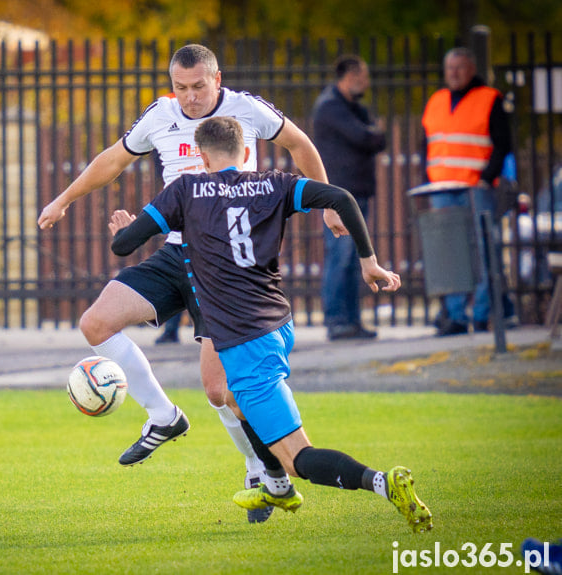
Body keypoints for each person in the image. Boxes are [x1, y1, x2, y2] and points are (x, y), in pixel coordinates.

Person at [38, 44, 346, 524]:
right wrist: (63, 199)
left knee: (220, 391)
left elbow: (300, 145)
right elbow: (112, 160)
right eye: (180, 88)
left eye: (198, 87)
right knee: (96, 323)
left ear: (216, 79)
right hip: (175, 251)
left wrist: (326, 203)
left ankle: (259, 471)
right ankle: (163, 416)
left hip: (223, 265)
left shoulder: (246, 110)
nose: (189, 97)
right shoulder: (161, 115)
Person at [110, 116, 432, 532]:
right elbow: (342, 199)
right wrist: (368, 261)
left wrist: (122, 229)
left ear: (201, 158)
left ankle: (384, 484)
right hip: (277, 322)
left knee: (298, 457)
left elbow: (123, 246)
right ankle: (274, 486)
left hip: (245, 340)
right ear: (245, 153)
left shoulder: (186, 190)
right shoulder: (275, 184)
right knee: (235, 400)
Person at [422, 47, 517, 336]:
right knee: (449, 255)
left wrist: (487, 178)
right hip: (442, 188)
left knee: (484, 252)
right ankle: (455, 318)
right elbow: (426, 145)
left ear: (472, 69)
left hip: (475, 188)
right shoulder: (436, 101)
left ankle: (483, 314)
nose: (454, 73)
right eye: (450, 67)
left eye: (460, 67)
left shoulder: (489, 99)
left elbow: (503, 144)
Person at [312, 55, 387, 340]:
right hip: (340, 196)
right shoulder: (331, 107)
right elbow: (368, 138)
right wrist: (373, 133)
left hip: (355, 194)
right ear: (349, 76)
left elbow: (378, 138)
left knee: (357, 259)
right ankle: (336, 320)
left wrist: (374, 134)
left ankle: (352, 321)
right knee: (341, 257)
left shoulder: (352, 107)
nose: (366, 82)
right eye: (362, 77)